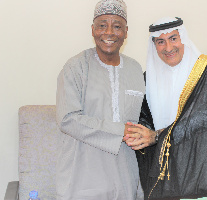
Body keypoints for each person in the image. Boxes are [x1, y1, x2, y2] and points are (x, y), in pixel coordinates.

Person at [124, 17, 207, 200]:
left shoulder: (205, 69)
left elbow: (201, 119)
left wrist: (156, 136)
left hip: (201, 174)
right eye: (160, 41)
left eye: (173, 38)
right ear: (154, 45)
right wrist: (138, 134)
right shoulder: (148, 79)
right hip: (166, 179)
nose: (168, 48)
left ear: (183, 38)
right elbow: (145, 120)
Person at [55, 0, 144, 199]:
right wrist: (120, 130)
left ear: (126, 32)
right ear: (93, 29)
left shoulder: (136, 70)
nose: (109, 32)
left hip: (124, 176)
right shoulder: (75, 67)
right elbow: (67, 119)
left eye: (117, 26)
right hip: (83, 176)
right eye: (102, 25)